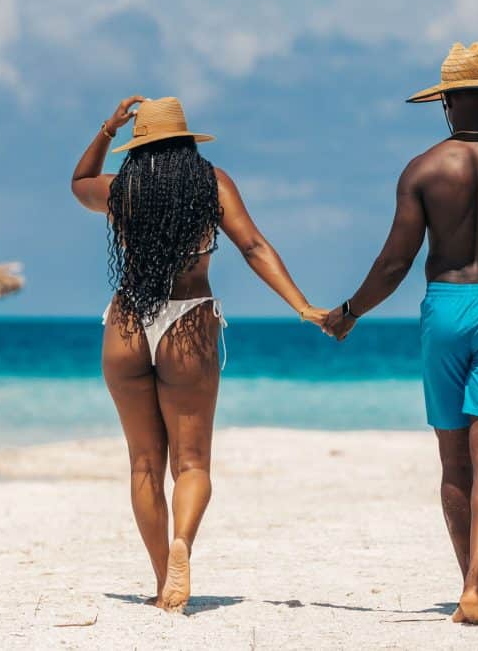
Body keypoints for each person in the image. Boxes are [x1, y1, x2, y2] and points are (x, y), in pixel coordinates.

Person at [323, 42, 478, 625]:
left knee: (454, 460)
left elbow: (394, 265)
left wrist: (350, 310)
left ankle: (467, 586)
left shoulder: (424, 169)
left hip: (446, 306)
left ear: (448, 104)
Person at [71, 95, 327, 612]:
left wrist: (106, 129)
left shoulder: (125, 187)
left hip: (126, 320)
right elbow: (253, 246)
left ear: (138, 145)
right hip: (186, 320)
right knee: (190, 462)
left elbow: (79, 184)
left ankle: (164, 577)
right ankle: (183, 543)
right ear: (188, 141)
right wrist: (302, 305)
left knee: (144, 464)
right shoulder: (211, 183)